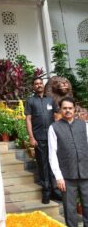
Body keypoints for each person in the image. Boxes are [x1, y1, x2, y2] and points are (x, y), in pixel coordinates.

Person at [48, 97, 88, 227]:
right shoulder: (54, 128)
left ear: (74, 109)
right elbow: (52, 154)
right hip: (67, 177)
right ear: (60, 109)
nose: (68, 111)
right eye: (65, 108)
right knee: (70, 209)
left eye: (70, 108)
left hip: (86, 173)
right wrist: (58, 177)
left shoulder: (84, 125)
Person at [25, 77, 60, 204]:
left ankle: (55, 191)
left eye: (40, 83)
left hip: (52, 138)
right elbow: (28, 119)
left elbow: (56, 116)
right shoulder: (30, 101)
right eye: (36, 84)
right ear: (33, 86)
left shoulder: (50, 99)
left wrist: (58, 133)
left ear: (43, 85)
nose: (39, 85)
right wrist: (31, 137)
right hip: (39, 138)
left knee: (53, 163)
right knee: (43, 165)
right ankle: (46, 192)